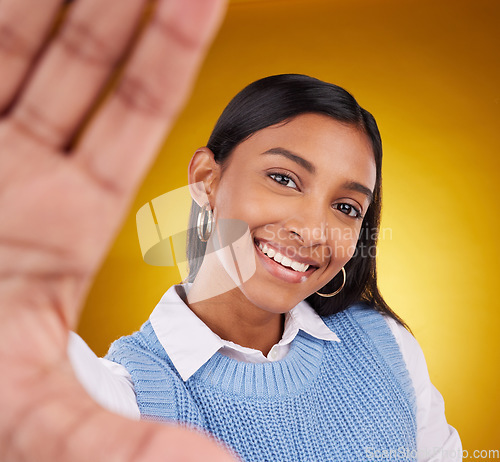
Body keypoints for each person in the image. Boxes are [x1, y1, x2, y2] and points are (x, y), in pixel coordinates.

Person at [0, 2, 461, 462]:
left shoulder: (385, 347)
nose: (311, 229)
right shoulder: (126, 397)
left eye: (345, 207)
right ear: (207, 179)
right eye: (283, 179)